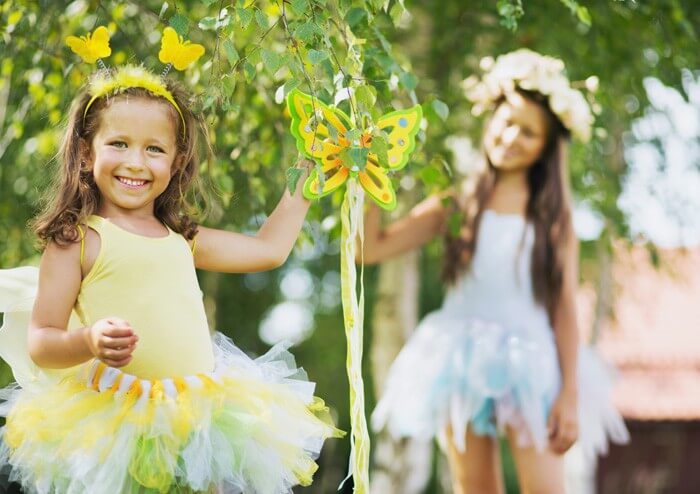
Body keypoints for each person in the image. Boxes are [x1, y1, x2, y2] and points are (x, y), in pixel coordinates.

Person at [0, 26, 340, 494]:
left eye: (154, 149)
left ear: (176, 162)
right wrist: (89, 340)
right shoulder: (76, 240)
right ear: (85, 153)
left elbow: (268, 250)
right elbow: (42, 341)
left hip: (200, 415)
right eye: (118, 143)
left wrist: (306, 180)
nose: (136, 163)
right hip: (116, 421)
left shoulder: (181, 236)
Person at [365, 49, 629, 494]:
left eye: (528, 132)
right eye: (506, 123)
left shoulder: (555, 221)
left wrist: (569, 395)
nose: (511, 137)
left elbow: (564, 308)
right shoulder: (456, 204)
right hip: (459, 360)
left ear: (546, 147)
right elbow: (370, 249)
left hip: (535, 363)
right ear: (490, 122)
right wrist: (365, 174)